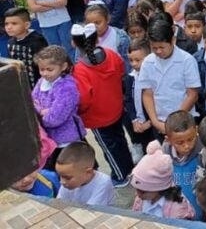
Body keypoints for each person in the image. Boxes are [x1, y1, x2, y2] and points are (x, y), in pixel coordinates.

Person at [71, 23, 133, 187]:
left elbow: (83, 99)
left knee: (109, 147)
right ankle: (128, 167)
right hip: (116, 109)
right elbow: (121, 74)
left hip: (97, 117)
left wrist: (81, 112)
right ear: (97, 38)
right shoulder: (111, 55)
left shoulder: (79, 70)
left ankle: (120, 176)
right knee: (120, 139)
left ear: (73, 43)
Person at [138, 19, 200, 136]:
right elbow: (147, 94)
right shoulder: (148, 62)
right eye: (154, 48)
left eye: (162, 47)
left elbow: (192, 94)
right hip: (159, 122)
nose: (159, 51)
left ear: (173, 40)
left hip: (184, 121)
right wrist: (155, 121)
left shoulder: (186, 60)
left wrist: (174, 122)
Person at [32, 45, 84, 169]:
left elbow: (55, 118)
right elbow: (32, 102)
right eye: (41, 69)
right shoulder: (41, 82)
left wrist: (42, 114)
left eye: (49, 70)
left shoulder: (67, 88)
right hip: (49, 140)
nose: (44, 73)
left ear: (63, 67)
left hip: (67, 140)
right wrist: (44, 111)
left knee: (73, 170)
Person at [130, 140, 195, 219]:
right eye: (136, 189)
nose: (137, 195)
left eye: (143, 192)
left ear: (159, 187)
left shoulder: (178, 208)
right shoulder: (140, 199)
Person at [161, 111, 204, 220]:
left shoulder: (204, 153)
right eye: (180, 143)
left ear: (196, 131)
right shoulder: (163, 156)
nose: (187, 146)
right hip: (175, 215)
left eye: (191, 139)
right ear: (168, 140)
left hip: (201, 215)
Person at [55, 141, 116, 206]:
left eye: (67, 178)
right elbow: (60, 203)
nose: (62, 182)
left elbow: (91, 211)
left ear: (88, 172)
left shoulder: (103, 182)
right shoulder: (67, 183)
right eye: (60, 176)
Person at [4, 7, 48, 87]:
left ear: (26, 25)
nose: (9, 27)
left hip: (40, 83)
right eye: (6, 24)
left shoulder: (37, 41)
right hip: (22, 83)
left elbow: (45, 63)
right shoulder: (11, 42)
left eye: (14, 23)